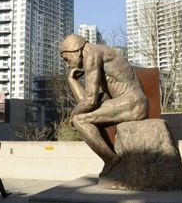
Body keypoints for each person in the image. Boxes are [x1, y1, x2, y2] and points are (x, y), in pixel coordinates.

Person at [60, 34, 149, 176]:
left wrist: (73, 114)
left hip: (133, 102)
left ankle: (112, 160)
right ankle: (113, 160)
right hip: (129, 102)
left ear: (76, 51)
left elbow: (90, 101)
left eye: (66, 59)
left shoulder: (92, 54)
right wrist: (72, 81)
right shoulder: (97, 53)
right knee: (83, 119)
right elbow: (88, 104)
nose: (67, 64)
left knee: (79, 120)